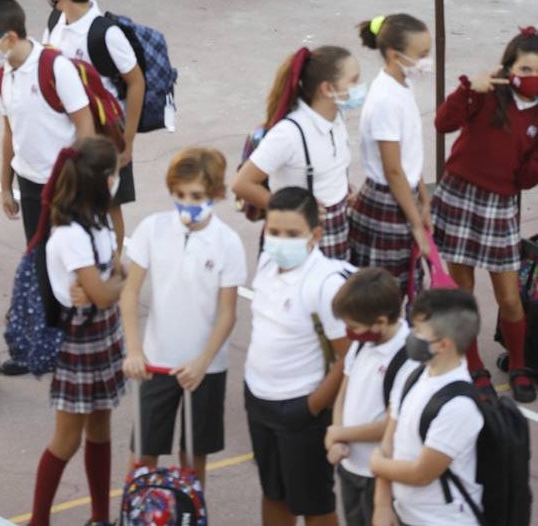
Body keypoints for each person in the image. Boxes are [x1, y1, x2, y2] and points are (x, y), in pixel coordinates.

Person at [0, 0, 94, 376]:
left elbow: (85, 125)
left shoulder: (55, 67)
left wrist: (78, 182)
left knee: (72, 266)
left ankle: (79, 343)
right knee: (40, 264)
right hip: (31, 181)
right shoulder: (0, 74)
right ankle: (44, 344)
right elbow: (9, 130)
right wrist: (5, 184)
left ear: (8, 37)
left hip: (67, 184)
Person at [121, 147, 246, 489]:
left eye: (196, 196)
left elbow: (228, 312)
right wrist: (134, 350)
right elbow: (130, 293)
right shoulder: (152, 228)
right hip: (155, 362)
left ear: (216, 194)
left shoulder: (228, 243)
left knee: (193, 461)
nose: (187, 204)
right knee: (144, 457)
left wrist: (203, 361)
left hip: (204, 369)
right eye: (179, 195)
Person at [429, 26, 538, 402]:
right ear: (507, 69)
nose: (531, 78)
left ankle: (520, 364)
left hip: (499, 207)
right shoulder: (486, 96)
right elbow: (443, 123)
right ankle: (474, 365)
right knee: (463, 292)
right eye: (524, 70)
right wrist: (467, 89)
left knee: (509, 296)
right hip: (459, 197)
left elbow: (525, 177)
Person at [27, 138, 125, 526]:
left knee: (100, 427)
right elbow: (108, 289)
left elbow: (108, 280)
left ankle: (100, 517)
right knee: (67, 438)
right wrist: (117, 283)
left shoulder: (98, 221)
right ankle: (39, 520)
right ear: (99, 181)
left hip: (102, 337)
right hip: (79, 342)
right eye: (114, 173)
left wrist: (110, 284)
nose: (119, 179)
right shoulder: (70, 235)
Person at [244, 186, 351, 526]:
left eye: (292, 234)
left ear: (315, 235)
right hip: (258, 400)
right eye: (274, 232)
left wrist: (314, 405)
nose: (280, 241)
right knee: (273, 494)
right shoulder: (265, 261)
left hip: (300, 407)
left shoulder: (326, 283)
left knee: (315, 505)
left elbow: (348, 358)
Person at [43, 0, 145, 251]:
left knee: (110, 204)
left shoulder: (106, 33)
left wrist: (127, 141)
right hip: (68, 130)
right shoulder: (54, 21)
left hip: (106, 134)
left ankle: (111, 262)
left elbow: (136, 82)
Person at [231, 45, 362, 260]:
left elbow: (327, 166)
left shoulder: (337, 117)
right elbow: (242, 184)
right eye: (354, 80)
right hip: (299, 235)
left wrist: (342, 190)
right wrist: (291, 211)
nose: (360, 87)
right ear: (328, 89)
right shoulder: (289, 134)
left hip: (337, 227)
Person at [370, 288, 484, 526]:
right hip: (404, 514)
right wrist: (382, 503)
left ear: (442, 345)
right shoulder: (413, 373)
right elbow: (388, 442)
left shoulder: (459, 406)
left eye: (419, 333)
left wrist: (376, 465)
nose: (411, 336)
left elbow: (421, 473)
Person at [348, 14, 433, 288]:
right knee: (384, 295)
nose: (426, 61)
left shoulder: (403, 85)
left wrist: (423, 199)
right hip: (387, 201)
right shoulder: (385, 99)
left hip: (403, 197)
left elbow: (409, 157)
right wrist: (417, 226)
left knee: (405, 286)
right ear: (395, 55)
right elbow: (393, 169)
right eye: (421, 54)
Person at [326, 267, 413, 526]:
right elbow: (344, 393)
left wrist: (340, 434)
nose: (348, 332)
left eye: (353, 326)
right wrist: (337, 433)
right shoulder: (363, 343)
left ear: (381, 322)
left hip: (379, 474)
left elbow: (391, 425)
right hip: (350, 465)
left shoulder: (407, 357)